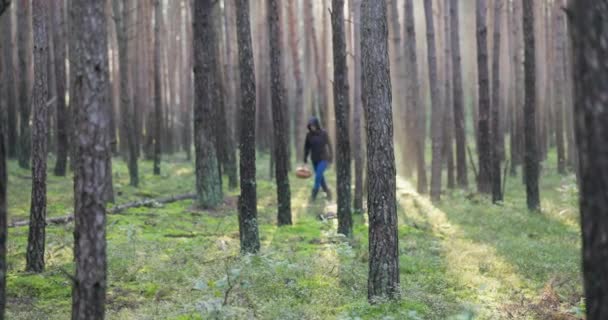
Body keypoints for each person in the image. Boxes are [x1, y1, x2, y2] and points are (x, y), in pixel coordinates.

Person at [304, 117, 333, 201]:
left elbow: (330, 145)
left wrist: (331, 158)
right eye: (310, 126)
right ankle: (328, 192)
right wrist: (305, 158)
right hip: (314, 160)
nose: (312, 127)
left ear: (317, 125)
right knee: (321, 178)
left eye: (313, 125)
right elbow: (307, 147)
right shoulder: (308, 135)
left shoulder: (324, 133)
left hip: (324, 159)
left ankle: (313, 195)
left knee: (317, 177)